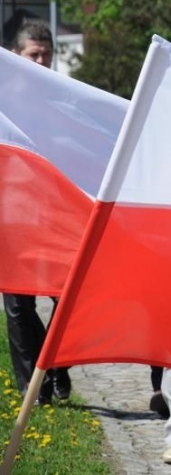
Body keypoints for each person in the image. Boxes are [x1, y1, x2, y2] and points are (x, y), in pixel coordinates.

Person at [4, 20, 70, 405]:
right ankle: (33, 389)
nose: (42, 61)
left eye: (46, 54)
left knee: (64, 303)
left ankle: (59, 364)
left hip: (56, 214)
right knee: (17, 305)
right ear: (16, 56)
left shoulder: (63, 99)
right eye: (34, 54)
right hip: (13, 217)